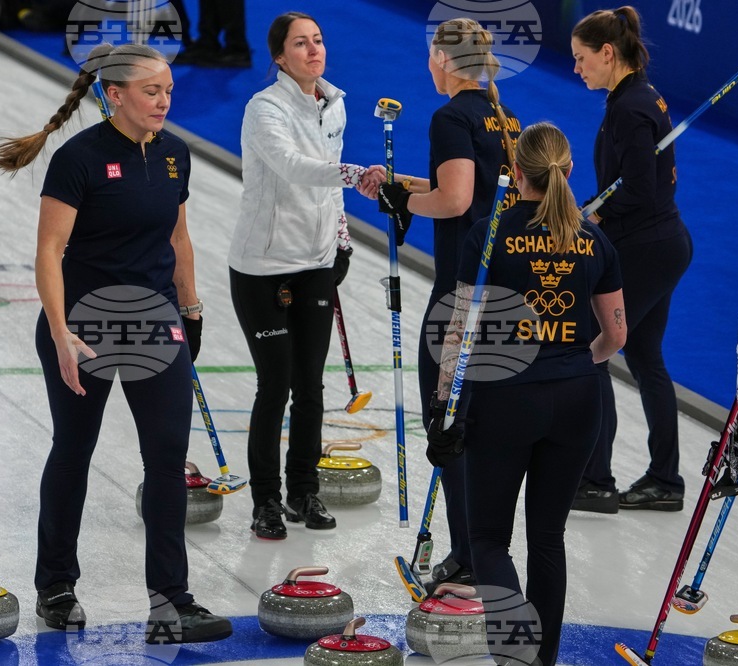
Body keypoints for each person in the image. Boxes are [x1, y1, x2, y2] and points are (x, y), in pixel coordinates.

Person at [0, 43, 231, 643]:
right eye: (152, 92)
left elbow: (179, 237)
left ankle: (171, 599)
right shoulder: (79, 158)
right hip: (85, 323)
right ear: (114, 95)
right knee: (74, 448)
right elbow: (49, 251)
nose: (164, 102)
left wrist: (192, 306)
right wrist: (61, 332)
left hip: (155, 321)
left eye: (169, 91)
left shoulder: (176, 154)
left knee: (168, 457)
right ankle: (56, 585)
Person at [428, 121, 625, 666]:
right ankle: (542, 661)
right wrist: (572, 364)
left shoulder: (490, 234)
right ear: (569, 172)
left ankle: (514, 647)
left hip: (506, 400)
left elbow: (460, 330)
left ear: (516, 172)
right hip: (581, 399)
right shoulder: (593, 238)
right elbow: (616, 336)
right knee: (548, 538)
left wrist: (443, 406)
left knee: (488, 538)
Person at [376, 16, 521, 593]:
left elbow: (456, 199)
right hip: (503, 290)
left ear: (441, 57)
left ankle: (466, 556)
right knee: (483, 425)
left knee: (448, 421)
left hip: (462, 292)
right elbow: (482, 191)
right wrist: (402, 185)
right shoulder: (502, 115)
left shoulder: (451, 115)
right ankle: (486, 544)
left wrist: (406, 203)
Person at [228, 11, 385, 541]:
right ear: (279, 56)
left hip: (316, 262)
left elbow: (328, 188)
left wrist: (340, 237)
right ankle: (266, 502)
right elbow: (294, 166)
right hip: (262, 265)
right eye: (301, 44)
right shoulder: (264, 109)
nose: (314, 50)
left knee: (310, 388)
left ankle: (303, 491)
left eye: (318, 40)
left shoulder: (334, 104)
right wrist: (355, 174)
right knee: (275, 387)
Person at [568, 6, 692, 513]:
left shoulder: (631, 108)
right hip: (660, 244)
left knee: (591, 346)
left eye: (582, 59)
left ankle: (595, 478)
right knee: (643, 357)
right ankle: (664, 479)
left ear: (607, 53)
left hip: (644, 248)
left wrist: (596, 216)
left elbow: (639, 189)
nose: (577, 69)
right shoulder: (632, 97)